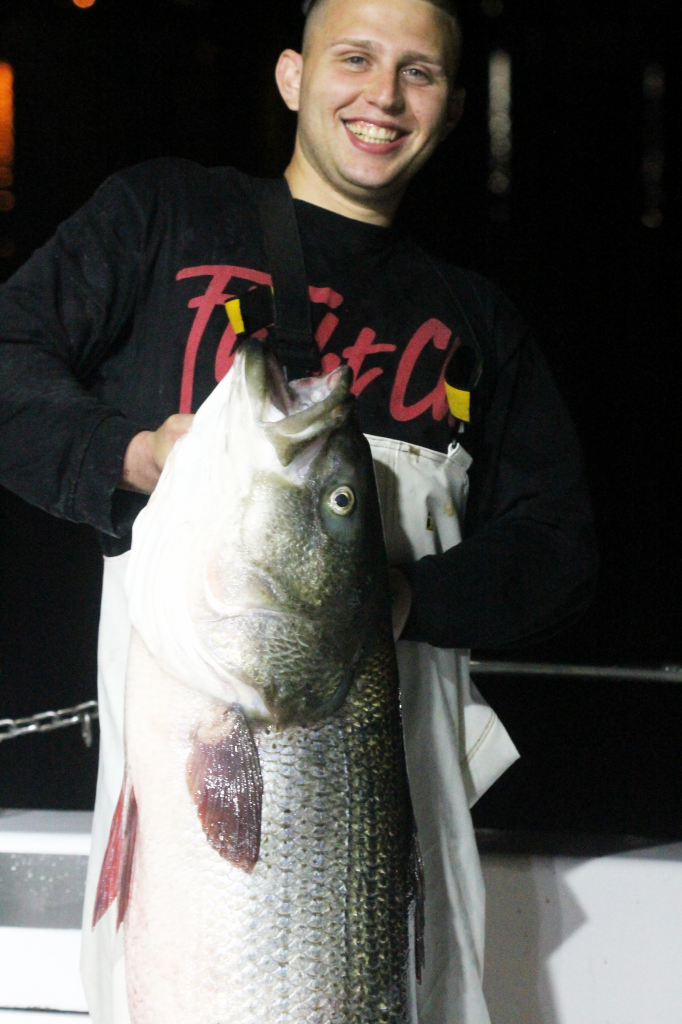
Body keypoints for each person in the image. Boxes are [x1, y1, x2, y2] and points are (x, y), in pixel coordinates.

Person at [0, 0, 597, 1020]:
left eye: (418, 72)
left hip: (389, 836)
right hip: (202, 761)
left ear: (451, 109)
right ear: (290, 75)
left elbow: (559, 549)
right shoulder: (163, 218)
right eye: (354, 57)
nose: (382, 95)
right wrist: (134, 454)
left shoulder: (474, 318)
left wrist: (394, 597)